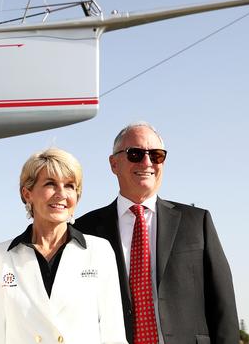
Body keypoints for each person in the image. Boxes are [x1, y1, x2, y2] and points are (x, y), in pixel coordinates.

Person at [75, 122, 239, 344]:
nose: (147, 162)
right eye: (135, 154)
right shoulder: (84, 230)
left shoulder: (197, 222)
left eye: (156, 155)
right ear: (114, 164)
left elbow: (223, 303)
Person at [0, 148, 127, 344]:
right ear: (27, 193)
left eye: (69, 186)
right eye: (50, 184)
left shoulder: (100, 251)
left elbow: (114, 336)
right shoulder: (0, 256)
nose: (61, 194)